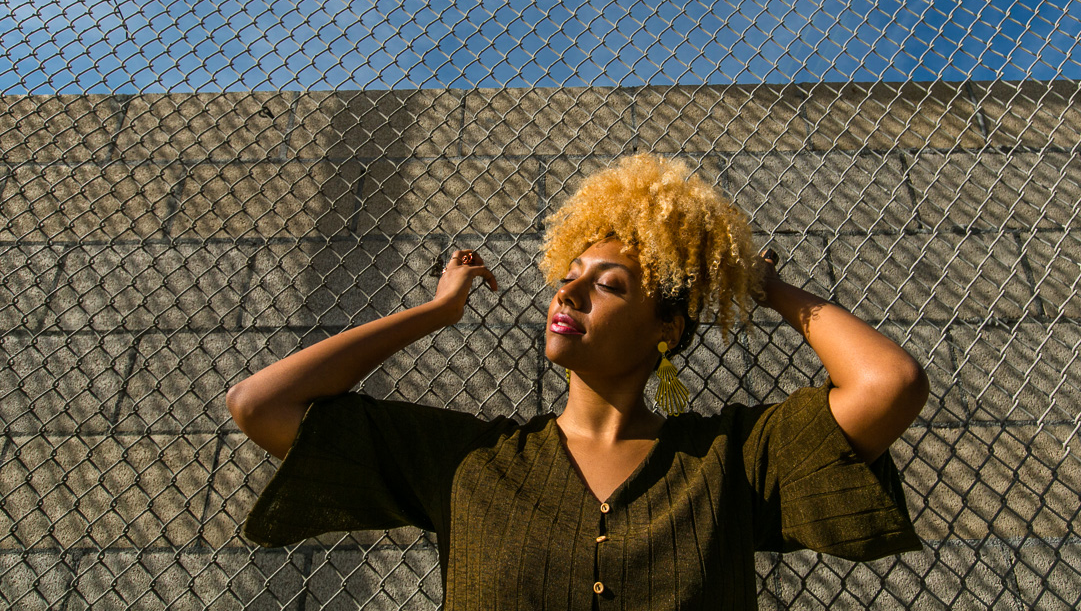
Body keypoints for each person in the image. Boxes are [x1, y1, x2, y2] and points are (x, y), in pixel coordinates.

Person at [227, 153, 928, 610]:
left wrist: (763, 285)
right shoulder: (467, 463)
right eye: (568, 278)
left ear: (666, 331)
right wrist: (437, 311)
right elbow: (262, 404)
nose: (568, 296)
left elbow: (889, 384)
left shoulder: (733, 458)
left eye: (609, 285)